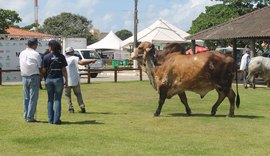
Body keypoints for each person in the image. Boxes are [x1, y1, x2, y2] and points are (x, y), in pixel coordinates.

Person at [42, 40, 68, 125]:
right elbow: (64, 70)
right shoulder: (62, 57)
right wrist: (66, 80)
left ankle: (50, 120)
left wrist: (44, 78)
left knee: (50, 100)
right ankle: (56, 120)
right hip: (58, 79)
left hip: (49, 79)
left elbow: (44, 70)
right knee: (57, 100)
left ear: (50, 47)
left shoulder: (46, 57)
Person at [64, 47, 96, 113]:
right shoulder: (74, 58)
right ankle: (82, 106)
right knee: (78, 94)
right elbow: (81, 63)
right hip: (74, 79)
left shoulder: (63, 58)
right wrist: (91, 61)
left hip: (65, 79)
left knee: (67, 95)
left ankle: (71, 108)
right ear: (71, 52)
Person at [19, 38, 42, 122]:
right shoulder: (36, 54)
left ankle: (26, 115)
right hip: (33, 76)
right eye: (36, 44)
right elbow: (40, 66)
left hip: (24, 76)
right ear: (34, 44)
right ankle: (30, 117)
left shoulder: (22, 53)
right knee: (33, 98)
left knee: (26, 98)